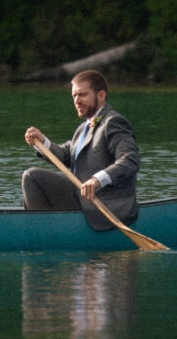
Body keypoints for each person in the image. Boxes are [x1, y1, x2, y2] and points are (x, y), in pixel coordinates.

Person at [21, 69, 140, 232]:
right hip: (82, 199)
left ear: (101, 96)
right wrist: (43, 142)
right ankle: (48, 228)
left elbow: (130, 160)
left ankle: (41, 234)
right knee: (33, 177)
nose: (76, 100)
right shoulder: (83, 128)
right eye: (74, 96)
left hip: (105, 205)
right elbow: (66, 156)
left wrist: (97, 180)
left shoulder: (114, 122)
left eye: (82, 95)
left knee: (32, 177)